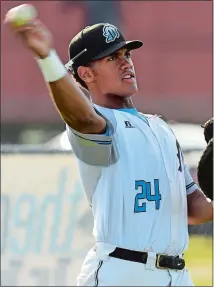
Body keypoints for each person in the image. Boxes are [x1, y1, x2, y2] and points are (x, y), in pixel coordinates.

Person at [5, 11, 213, 286]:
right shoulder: (98, 126)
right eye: (112, 58)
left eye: (126, 55)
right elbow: (82, 116)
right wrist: (47, 58)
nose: (126, 64)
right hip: (122, 271)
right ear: (86, 73)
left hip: (177, 275)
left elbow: (191, 207)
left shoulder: (161, 129)